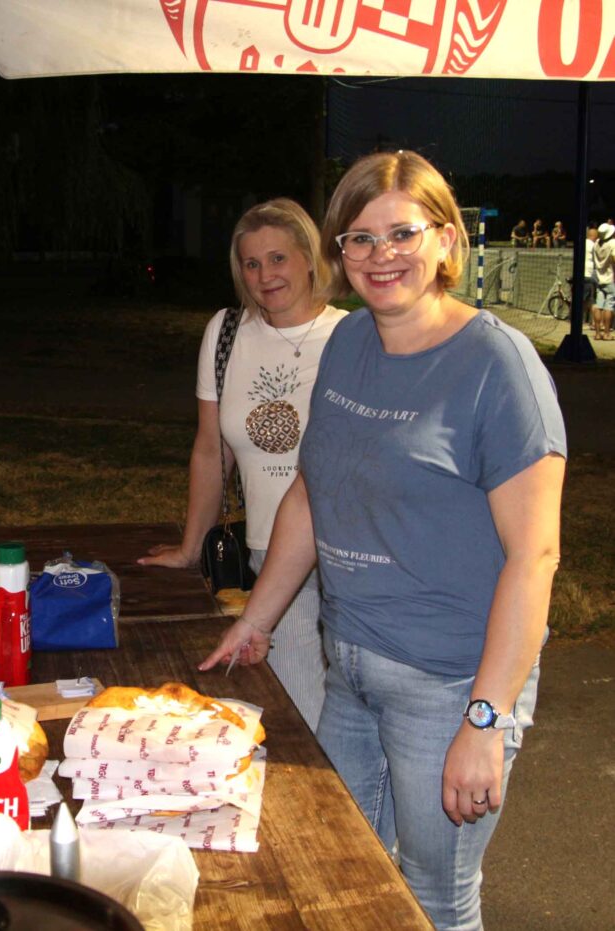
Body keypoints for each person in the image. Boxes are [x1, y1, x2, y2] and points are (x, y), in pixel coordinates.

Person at [199, 151, 566, 931]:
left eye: (401, 233)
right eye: (357, 240)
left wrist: (485, 720)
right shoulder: (351, 345)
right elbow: (310, 491)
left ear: (445, 240)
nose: (379, 256)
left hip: (449, 684)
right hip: (353, 672)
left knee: (435, 896)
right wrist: (256, 618)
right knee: (343, 870)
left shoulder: (496, 367)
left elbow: (537, 556)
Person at [139, 198, 346, 730]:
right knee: (292, 706)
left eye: (278, 259)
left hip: (343, 557)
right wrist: (191, 547)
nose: (264, 276)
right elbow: (212, 450)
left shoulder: (350, 338)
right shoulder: (227, 333)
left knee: (325, 715)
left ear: (309, 258)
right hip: (265, 553)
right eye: (251, 264)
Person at [594, 222, 615, 340]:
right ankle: (607, 333)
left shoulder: (597, 243)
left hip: (599, 278)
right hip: (610, 278)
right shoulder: (613, 243)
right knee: (609, 306)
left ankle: (597, 333)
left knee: (598, 306)